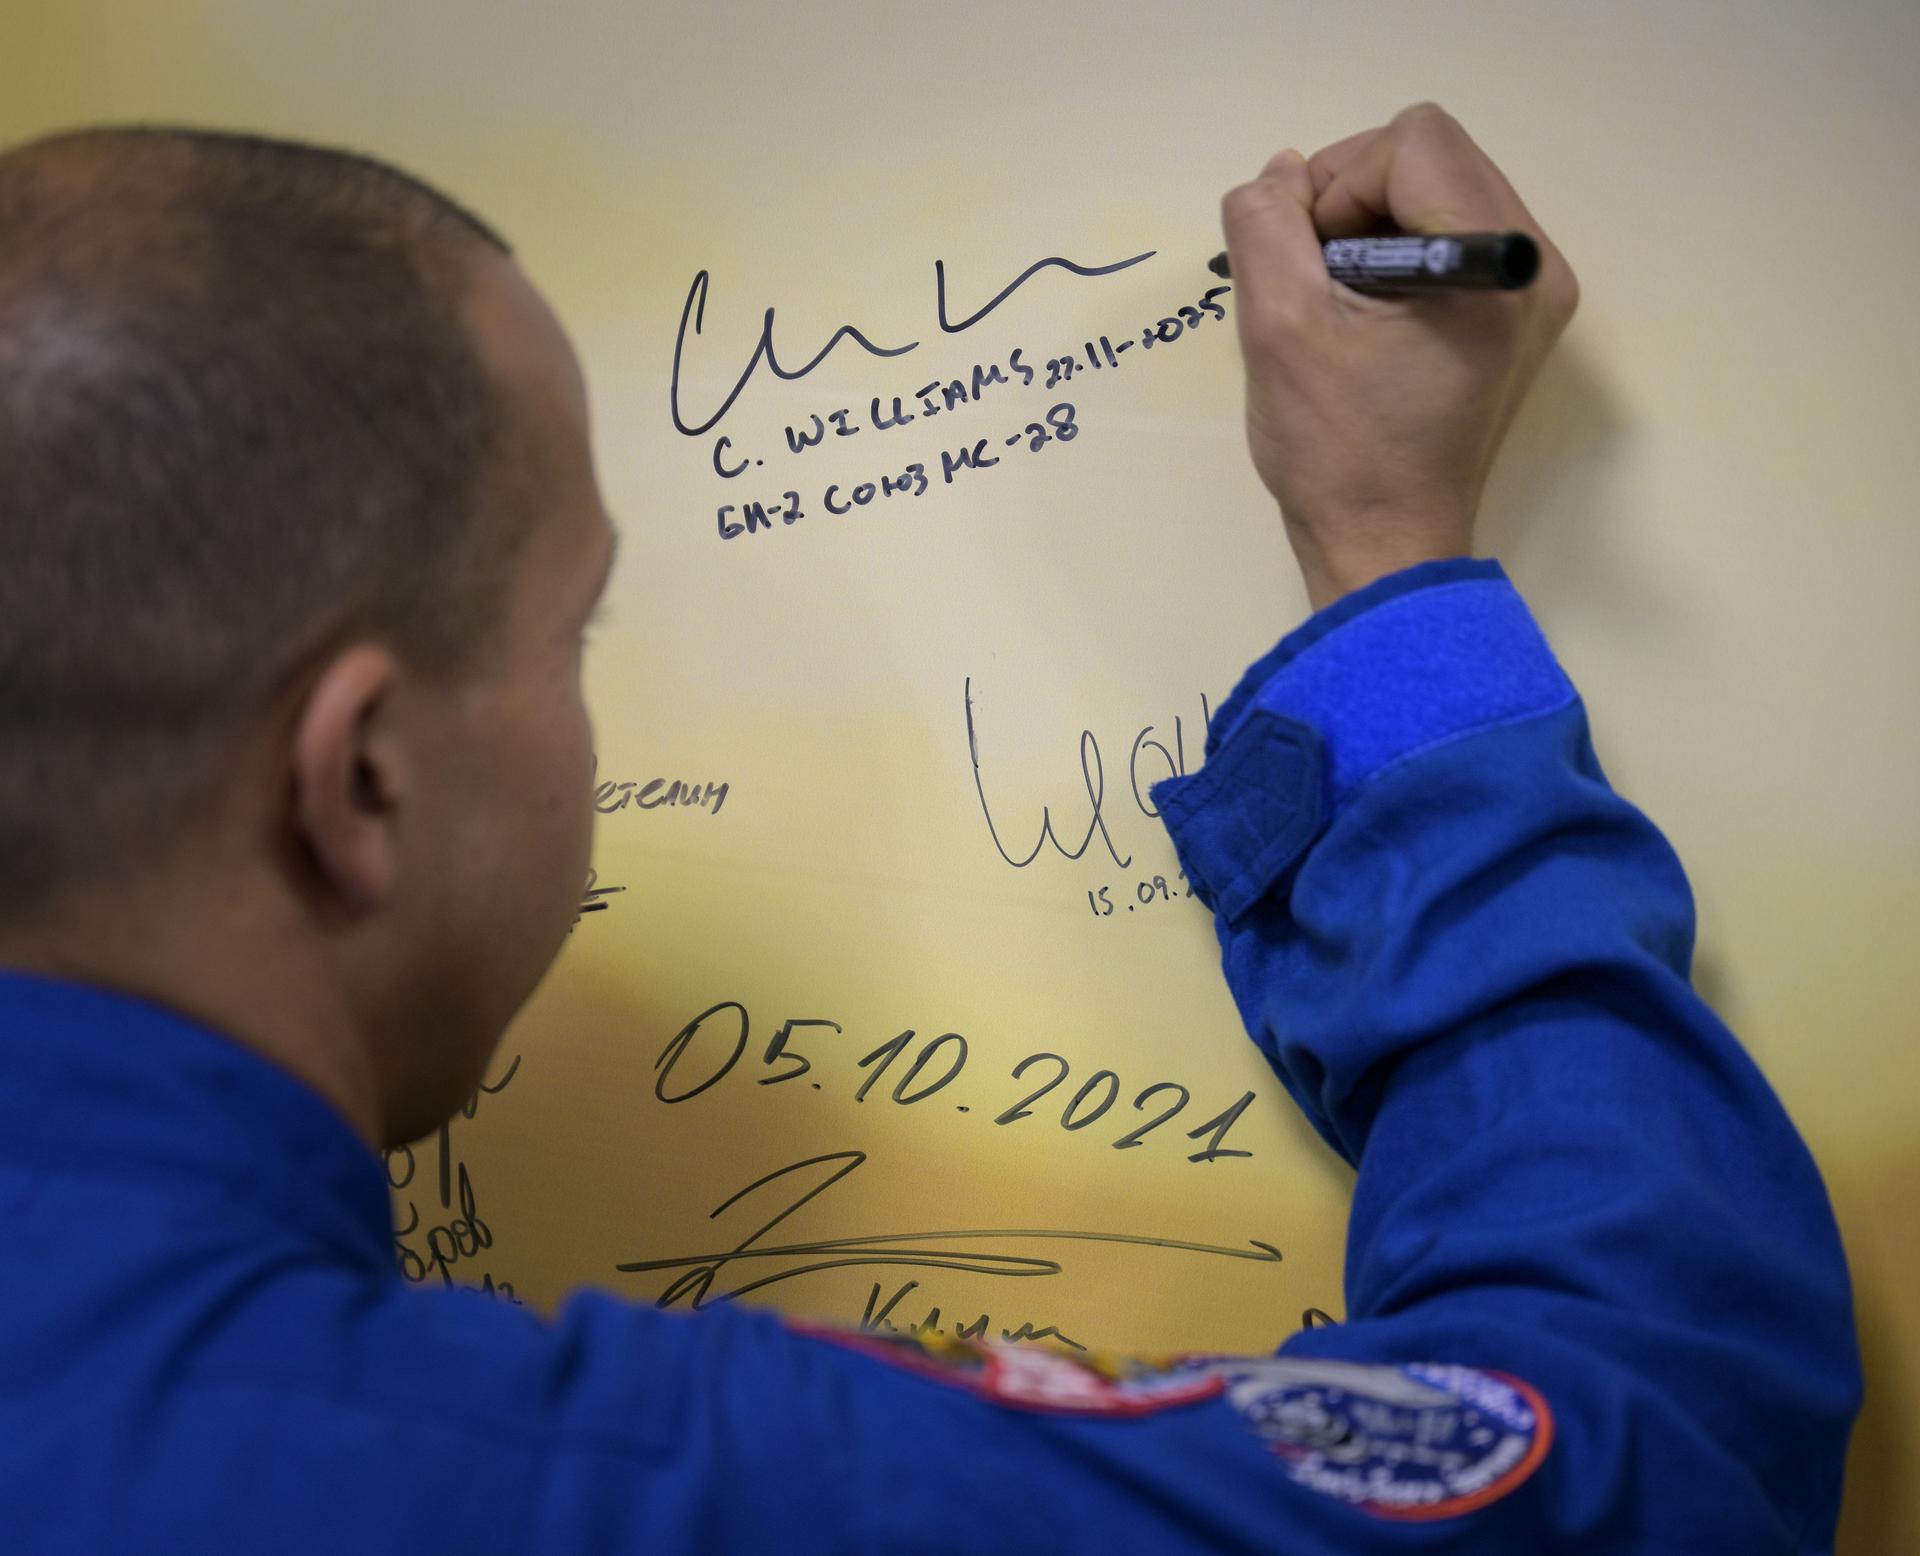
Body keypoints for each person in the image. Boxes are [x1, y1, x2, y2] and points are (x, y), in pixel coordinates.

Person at [0, 103, 1859, 1553]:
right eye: (575, 632)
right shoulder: (571, 1484)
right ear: (364, 779)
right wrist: (1393, 573)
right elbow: (1652, 1454)